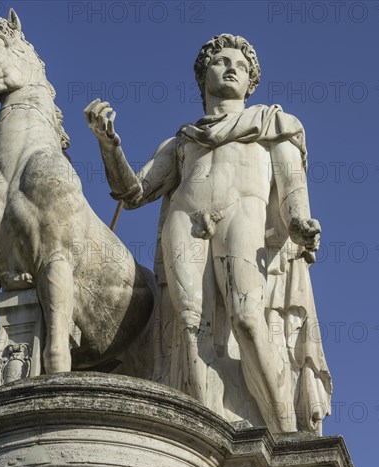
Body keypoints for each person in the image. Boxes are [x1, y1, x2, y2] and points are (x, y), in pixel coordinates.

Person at [85, 34, 331, 433]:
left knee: (249, 318)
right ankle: (207, 432)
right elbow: (133, 193)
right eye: (221, 61)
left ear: (251, 81)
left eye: (241, 65)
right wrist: (109, 146)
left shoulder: (273, 123)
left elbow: (292, 187)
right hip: (186, 218)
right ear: (203, 76)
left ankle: (286, 433)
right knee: (187, 326)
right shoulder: (182, 141)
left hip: (243, 212)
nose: (231, 67)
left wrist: (301, 222)